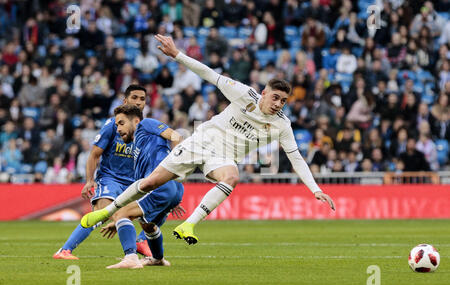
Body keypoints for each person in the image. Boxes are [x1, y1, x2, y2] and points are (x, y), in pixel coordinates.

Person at [81, 35, 335, 246]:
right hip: (201, 141)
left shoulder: (282, 124)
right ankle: (107, 211)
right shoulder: (244, 93)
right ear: (265, 93)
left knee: (232, 177)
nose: (278, 104)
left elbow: (296, 158)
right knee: (150, 183)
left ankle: (189, 225)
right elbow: (210, 74)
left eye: (283, 101)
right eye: (275, 97)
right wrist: (177, 54)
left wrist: (316, 189)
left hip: (222, 157)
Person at [53, 85, 152, 260]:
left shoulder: (146, 128)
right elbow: (94, 155)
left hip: (134, 182)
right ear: (125, 101)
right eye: (134, 97)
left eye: (142, 99)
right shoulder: (112, 125)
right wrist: (89, 180)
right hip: (111, 179)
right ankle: (64, 251)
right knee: (102, 214)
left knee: (158, 209)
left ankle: (137, 247)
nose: (138, 102)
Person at [98, 104, 184, 269]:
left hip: (163, 184)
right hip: (172, 189)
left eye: (121, 123)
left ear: (135, 121)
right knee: (147, 225)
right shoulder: (139, 152)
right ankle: (158, 259)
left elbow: (176, 136)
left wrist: (122, 217)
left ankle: (130, 258)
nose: (118, 129)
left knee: (121, 213)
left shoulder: (145, 125)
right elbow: (138, 191)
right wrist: (121, 221)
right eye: (116, 125)